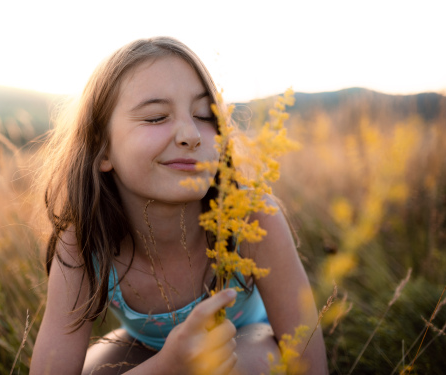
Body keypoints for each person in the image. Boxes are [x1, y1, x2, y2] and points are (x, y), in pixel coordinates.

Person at [30, 36, 327, 374]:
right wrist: (168, 366)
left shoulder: (254, 217)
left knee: (246, 363)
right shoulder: (81, 242)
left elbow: (307, 356)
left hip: (248, 340)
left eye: (205, 115)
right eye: (157, 117)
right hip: (149, 352)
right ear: (102, 149)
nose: (192, 133)